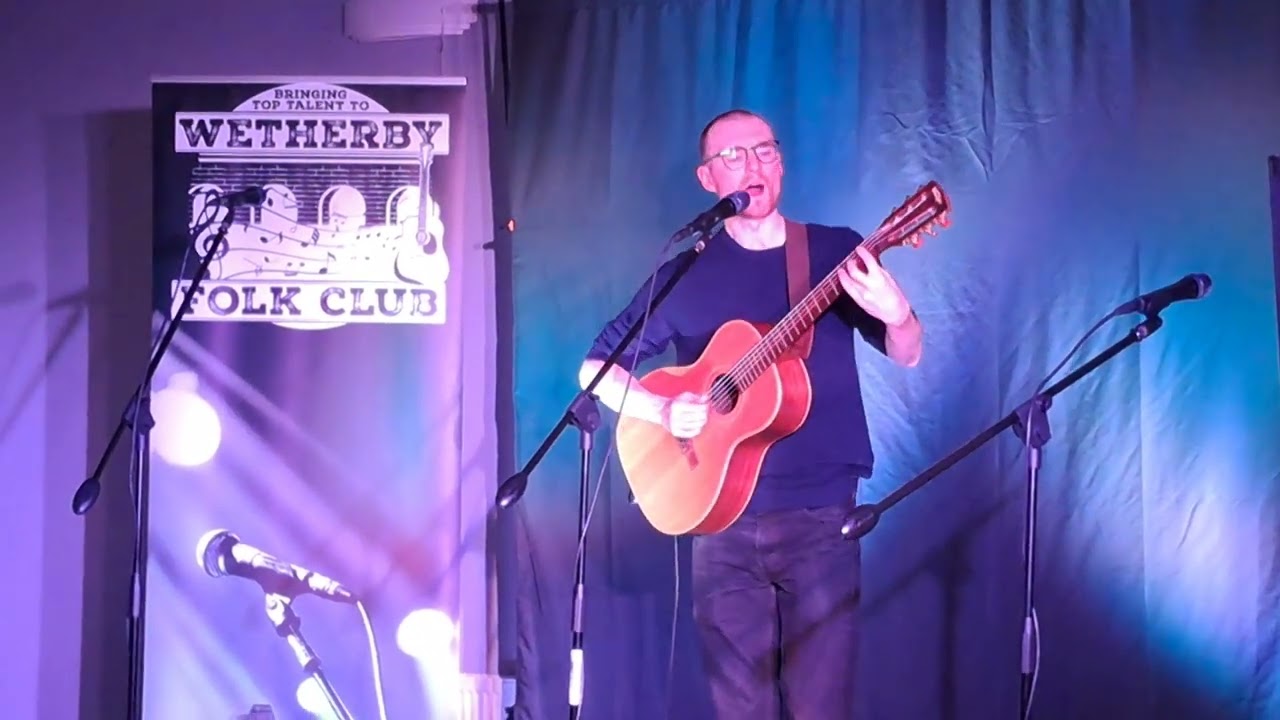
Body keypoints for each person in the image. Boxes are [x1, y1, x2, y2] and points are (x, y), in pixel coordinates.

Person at [577, 109, 924, 718]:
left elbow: (909, 354)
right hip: (720, 522)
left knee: (821, 708)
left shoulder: (835, 253)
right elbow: (595, 367)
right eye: (733, 157)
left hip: (821, 520)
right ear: (707, 179)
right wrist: (662, 409)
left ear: (781, 163)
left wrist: (898, 314)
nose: (752, 165)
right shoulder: (686, 272)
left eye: (764, 151)